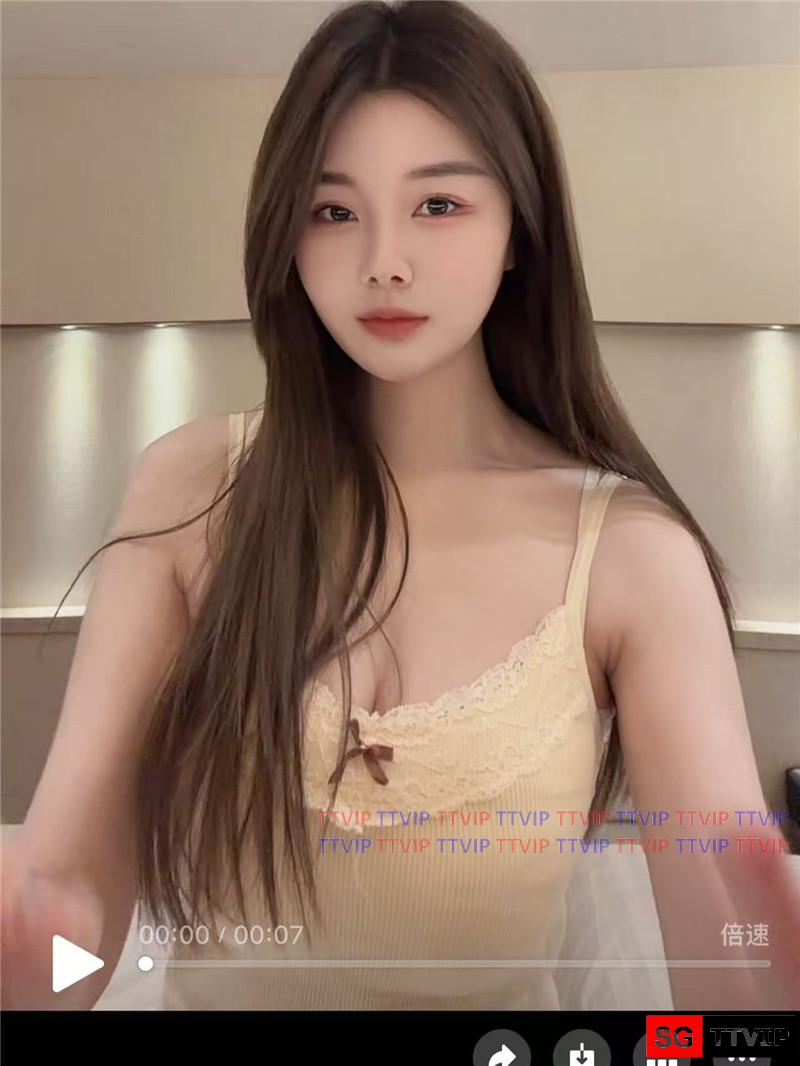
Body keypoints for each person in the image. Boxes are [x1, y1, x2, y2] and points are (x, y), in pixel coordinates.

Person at [3, 0, 798, 1012]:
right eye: (332, 211)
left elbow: (725, 928)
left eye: (438, 204)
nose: (382, 259)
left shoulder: (632, 555)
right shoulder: (191, 490)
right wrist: (34, 952)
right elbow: (71, 900)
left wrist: (767, 974)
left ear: (518, 231)